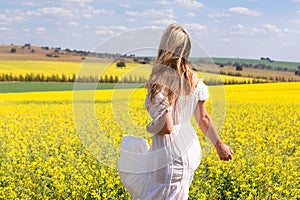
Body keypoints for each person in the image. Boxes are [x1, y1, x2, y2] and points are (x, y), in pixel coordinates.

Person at [118, 24, 233, 200]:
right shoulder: (194, 79)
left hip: (168, 152)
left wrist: (150, 128)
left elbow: (167, 127)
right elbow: (203, 119)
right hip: (189, 148)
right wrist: (219, 146)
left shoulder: (160, 80)